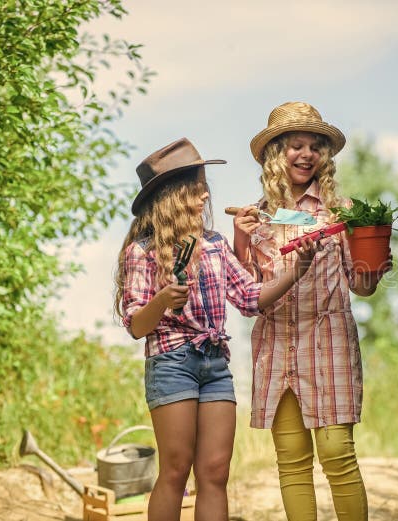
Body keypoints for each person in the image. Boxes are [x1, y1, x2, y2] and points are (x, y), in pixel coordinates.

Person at [114, 137, 319, 521]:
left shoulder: (213, 244)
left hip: (214, 365)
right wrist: (162, 301)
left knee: (215, 473)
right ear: (173, 196)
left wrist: (297, 271)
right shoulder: (142, 252)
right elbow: (136, 326)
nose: (205, 195)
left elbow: (249, 298)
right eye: (196, 188)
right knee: (175, 472)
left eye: (204, 186)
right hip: (171, 363)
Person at [232, 102, 390, 521]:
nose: (306, 155)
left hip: (329, 335)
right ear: (275, 155)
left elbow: (361, 286)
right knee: (293, 458)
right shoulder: (257, 216)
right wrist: (239, 239)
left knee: (338, 453)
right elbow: (245, 293)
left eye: (314, 147)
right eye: (295, 146)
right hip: (277, 341)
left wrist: (372, 272)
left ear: (324, 156)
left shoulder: (342, 211)